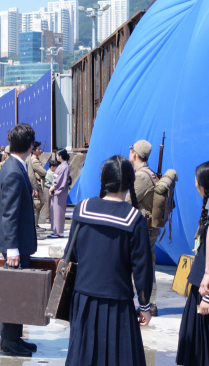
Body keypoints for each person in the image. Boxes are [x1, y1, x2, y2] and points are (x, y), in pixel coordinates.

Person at [64, 155, 153, 366]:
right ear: (129, 183)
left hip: (83, 298)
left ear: (103, 180)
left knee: (84, 357)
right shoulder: (134, 219)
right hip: (117, 304)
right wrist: (145, 305)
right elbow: (142, 267)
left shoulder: (82, 209)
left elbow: (71, 253)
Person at [0, 124, 38, 357]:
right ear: (30, 146)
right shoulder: (12, 171)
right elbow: (9, 213)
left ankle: (13, 338)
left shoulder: (12, 166)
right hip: (15, 243)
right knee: (14, 293)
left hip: (17, 242)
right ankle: (9, 341)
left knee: (17, 291)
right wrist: (12, 249)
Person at [177, 161, 209, 366]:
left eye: (196, 179)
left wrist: (207, 296)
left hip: (204, 288)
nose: (194, 182)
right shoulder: (207, 206)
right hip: (200, 285)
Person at [128, 140, 160, 316]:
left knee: (139, 266)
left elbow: (127, 202)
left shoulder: (141, 177)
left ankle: (145, 303)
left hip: (143, 229)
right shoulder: (151, 173)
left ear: (135, 154)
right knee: (149, 264)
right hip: (149, 228)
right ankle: (151, 303)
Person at [48, 149, 70, 238]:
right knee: (55, 210)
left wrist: (52, 188)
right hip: (56, 190)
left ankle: (59, 232)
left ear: (60, 156)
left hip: (59, 191)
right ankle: (55, 230)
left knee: (59, 211)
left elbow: (59, 180)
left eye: (57, 155)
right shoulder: (62, 166)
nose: (56, 156)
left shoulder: (64, 166)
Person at [26, 142, 47, 233]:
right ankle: (34, 225)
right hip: (36, 185)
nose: (40, 150)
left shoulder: (35, 159)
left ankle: (36, 224)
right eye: (38, 149)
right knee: (37, 205)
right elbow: (43, 172)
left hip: (38, 184)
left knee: (39, 205)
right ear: (33, 151)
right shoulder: (34, 161)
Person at [41, 160, 59, 228]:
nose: (57, 168)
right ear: (52, 167)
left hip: (51, 188)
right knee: (48, 204)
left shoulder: (53, 172)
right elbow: (54, 181)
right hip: (48, 188)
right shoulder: (50, 173)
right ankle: (48, 219)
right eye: (56, 167)